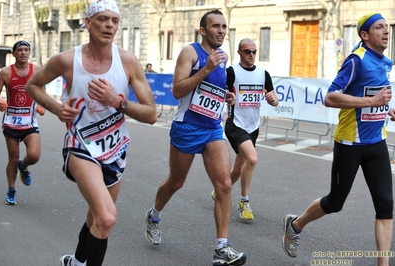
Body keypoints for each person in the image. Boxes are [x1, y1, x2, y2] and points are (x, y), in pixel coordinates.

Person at [26, 1, 157, 266]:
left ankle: (74, 262)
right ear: (87, 22)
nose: (110, 25)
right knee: (107, 217)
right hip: (80, 145)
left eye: (115, 20)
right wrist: (55, 106)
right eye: (102, 19)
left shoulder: (128, 61)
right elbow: (33, 85)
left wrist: (117, 101)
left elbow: (151, 114)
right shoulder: (66, 60)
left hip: (115, 148)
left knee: (95, 217)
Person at [282, 13, 394, 266]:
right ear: (365, 35)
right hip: (349, 144)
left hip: (376, 142)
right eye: (379, 27)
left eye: (387, 27)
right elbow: (330, 97)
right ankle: (296, 224)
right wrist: (372, 102)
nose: (386, 31)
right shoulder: (357, 60)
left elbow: (372, 95)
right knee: (335, 202)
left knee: (386, 205)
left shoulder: (385, 61)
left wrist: (385, 109)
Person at [144, 9, 247, 266]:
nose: (221, 31)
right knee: (177, 182)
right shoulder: (190, 53)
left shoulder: (222, 58)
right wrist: (205, 69)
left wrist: (225, 97)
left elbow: (209, 90)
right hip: (187, 127)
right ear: (203, 30)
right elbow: (177, 90)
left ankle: (221, 248)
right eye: (215, 26)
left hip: (212, 128)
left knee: (223, 184)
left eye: (224, 26)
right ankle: (154, 215)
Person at [211, 38, 278, 221]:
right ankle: (244, 201)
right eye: (247, 51)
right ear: (240, 52)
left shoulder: (263, 74)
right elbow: (220, 93)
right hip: (236, 124)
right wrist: (227, 96)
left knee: (239, 168)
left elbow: (274, 99)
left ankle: (219, 190)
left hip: (253, 126)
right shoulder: (232, 72)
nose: (251, 55)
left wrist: (273, 99)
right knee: (253, 159)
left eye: (254, 52)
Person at [0, 40, 44, 205]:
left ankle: (24, 166)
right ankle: (11, 191)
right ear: (14, 53)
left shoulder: (36, 70)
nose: (23, 53)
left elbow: (41, 91)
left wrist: (40, 105)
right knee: (13, 159)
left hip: (29, 123)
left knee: (34, 155)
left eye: (26, 50)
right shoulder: (5, 72)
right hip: (11, 123)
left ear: (29, 53)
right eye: (20, 50)